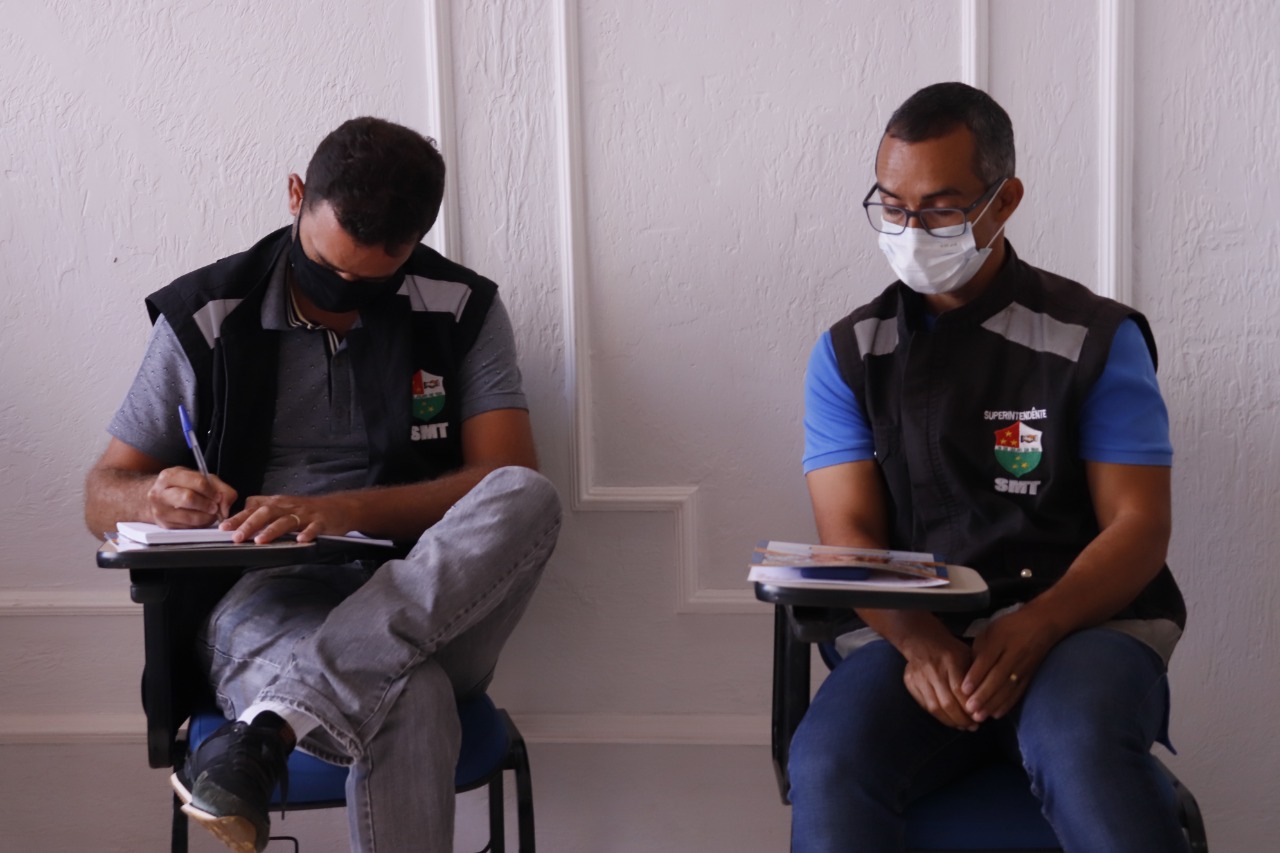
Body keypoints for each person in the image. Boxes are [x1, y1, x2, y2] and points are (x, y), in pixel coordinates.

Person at [83, 117, 561, 853]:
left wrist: (340, 510)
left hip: (437, 596)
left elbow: (502, 479)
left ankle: (269, 728)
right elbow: (100, 492)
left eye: (374, 282)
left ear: (417, 239)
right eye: (327, 266)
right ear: (295, 195)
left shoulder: (457, 307)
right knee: (408, 692)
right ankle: (287, 716)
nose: (344, 294)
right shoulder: (209, 314)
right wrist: (151, 497)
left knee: (529, 494)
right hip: (267, 603)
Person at [789, 82, 1188, 852]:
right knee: (829, 759)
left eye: (940, 209)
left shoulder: (1094, 338)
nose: (911, 230)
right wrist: (918, 641)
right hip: (917, 633)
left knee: (1079, 745)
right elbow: (849, 535)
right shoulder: (849, 354)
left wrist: (1039, 622)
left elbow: (1139, 524)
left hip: (1085, 624)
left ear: (1003, 202)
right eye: (893, 207)